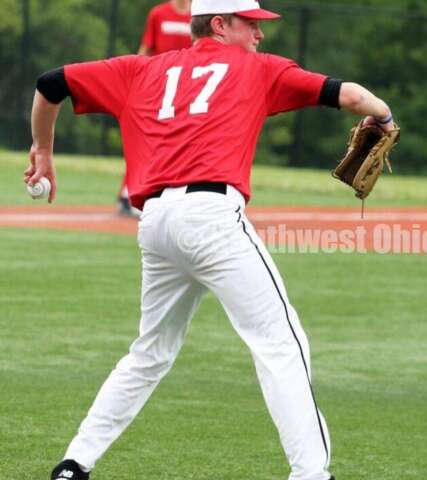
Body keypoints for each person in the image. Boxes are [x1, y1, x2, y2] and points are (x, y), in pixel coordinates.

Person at [29, 1, 397, 479]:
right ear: (220, 25)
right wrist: (384, 118)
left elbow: (50, 84)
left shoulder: (139, 69)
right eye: (252, 24)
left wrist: (42, 149)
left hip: (156, 224)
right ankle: (311, 474)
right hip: (212, 219)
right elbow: (350, 96)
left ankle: (74, 464)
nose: (260, 35)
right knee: (281, 344)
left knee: (149, 353)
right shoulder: (257, 69)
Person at [117, 0, 194, 216]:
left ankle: (167, 194)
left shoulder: (198, 15)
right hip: (160, 87)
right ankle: (129, 193)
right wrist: (137, 78)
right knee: (148, 139)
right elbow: (146, 49)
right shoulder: (158, 13)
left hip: (190, 90)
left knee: (179, 142)